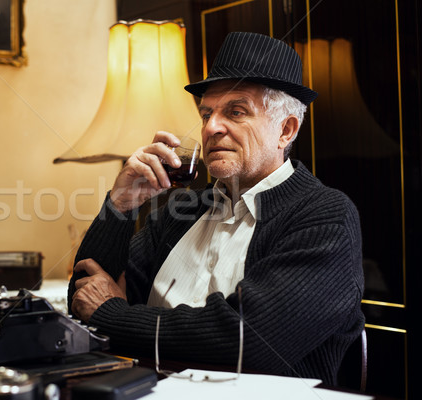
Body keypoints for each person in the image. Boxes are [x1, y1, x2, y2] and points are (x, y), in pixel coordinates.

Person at [67, 32, 364, 386]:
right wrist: (121, 204)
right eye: (206, 113)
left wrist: (113, 316)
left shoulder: (325, 216)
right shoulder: (181, 211)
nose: (211, 127)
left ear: (286, 130)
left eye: (236, 112)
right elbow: (85, 294)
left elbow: (248, 340)